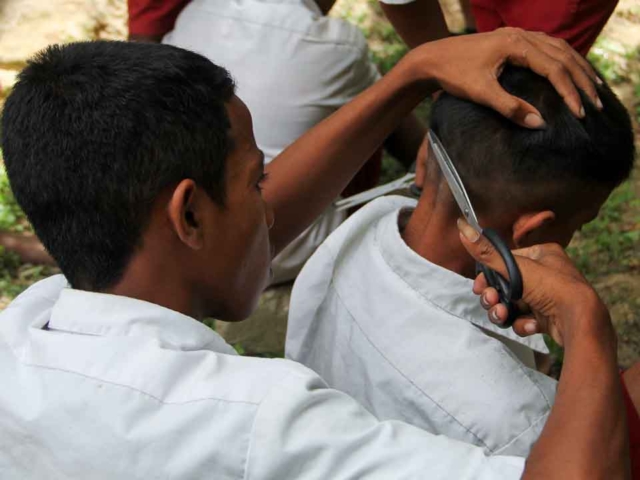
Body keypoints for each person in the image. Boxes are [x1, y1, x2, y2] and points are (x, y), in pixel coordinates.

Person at [0, 33, 627, 479]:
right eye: (254, 183)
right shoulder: (258, 427)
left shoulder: (26, 332)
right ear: (189, 215)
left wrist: (413, 72)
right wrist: (587, 324)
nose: (272, 210)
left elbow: (258, 230)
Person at [286, 65, 635, 456]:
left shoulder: (367, 226)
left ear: (430, 153)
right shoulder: (517, 422)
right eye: (582, 225)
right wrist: (590, 328)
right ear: (532, 231)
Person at [161, 0, 426, 284]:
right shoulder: (335, 44)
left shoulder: (192, 15)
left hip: (196, 235)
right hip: (283, 245)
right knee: (363, 114)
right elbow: (389, 112)